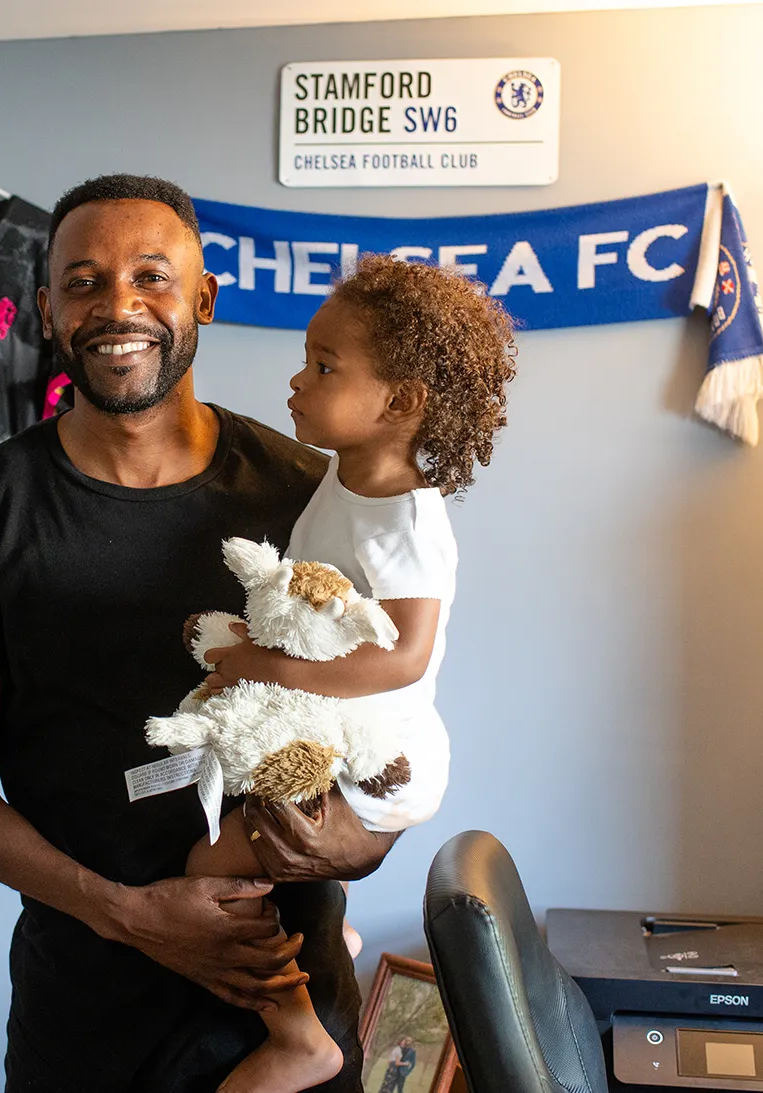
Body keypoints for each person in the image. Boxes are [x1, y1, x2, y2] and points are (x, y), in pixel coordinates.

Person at [0, 174, 398, 1093]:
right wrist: (125, 913)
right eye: (83, 282)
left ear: (202, 297)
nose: (116, 304)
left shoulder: (305, 495)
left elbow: (383, 717)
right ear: (48, 310)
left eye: (150, 276)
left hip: (284, 1015)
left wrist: (364, 843)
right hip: (84, 1017)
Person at [183, 255, 518, 1091]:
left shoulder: (405, 517)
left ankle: (297, 1033)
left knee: (205, 871)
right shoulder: (345, 469)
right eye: (307, 357)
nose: (297, 381)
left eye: (324, 367)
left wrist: (266, 663)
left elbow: (403, 654)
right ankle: (323, 945)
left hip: (371, 750)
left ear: (399, 401)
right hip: (326, 721)